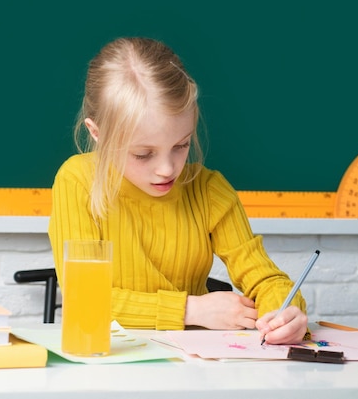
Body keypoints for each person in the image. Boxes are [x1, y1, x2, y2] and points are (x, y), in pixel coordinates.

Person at [49, 37, 308, 344]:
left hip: (191, 367)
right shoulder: (78, 181)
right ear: (98, 134)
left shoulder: (209, 190)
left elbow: (266, 279)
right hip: (107, 362)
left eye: (181, 145)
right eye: (143, 154)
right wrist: (191, 310)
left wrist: (284, 311)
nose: (167, 169)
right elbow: (85, 300)